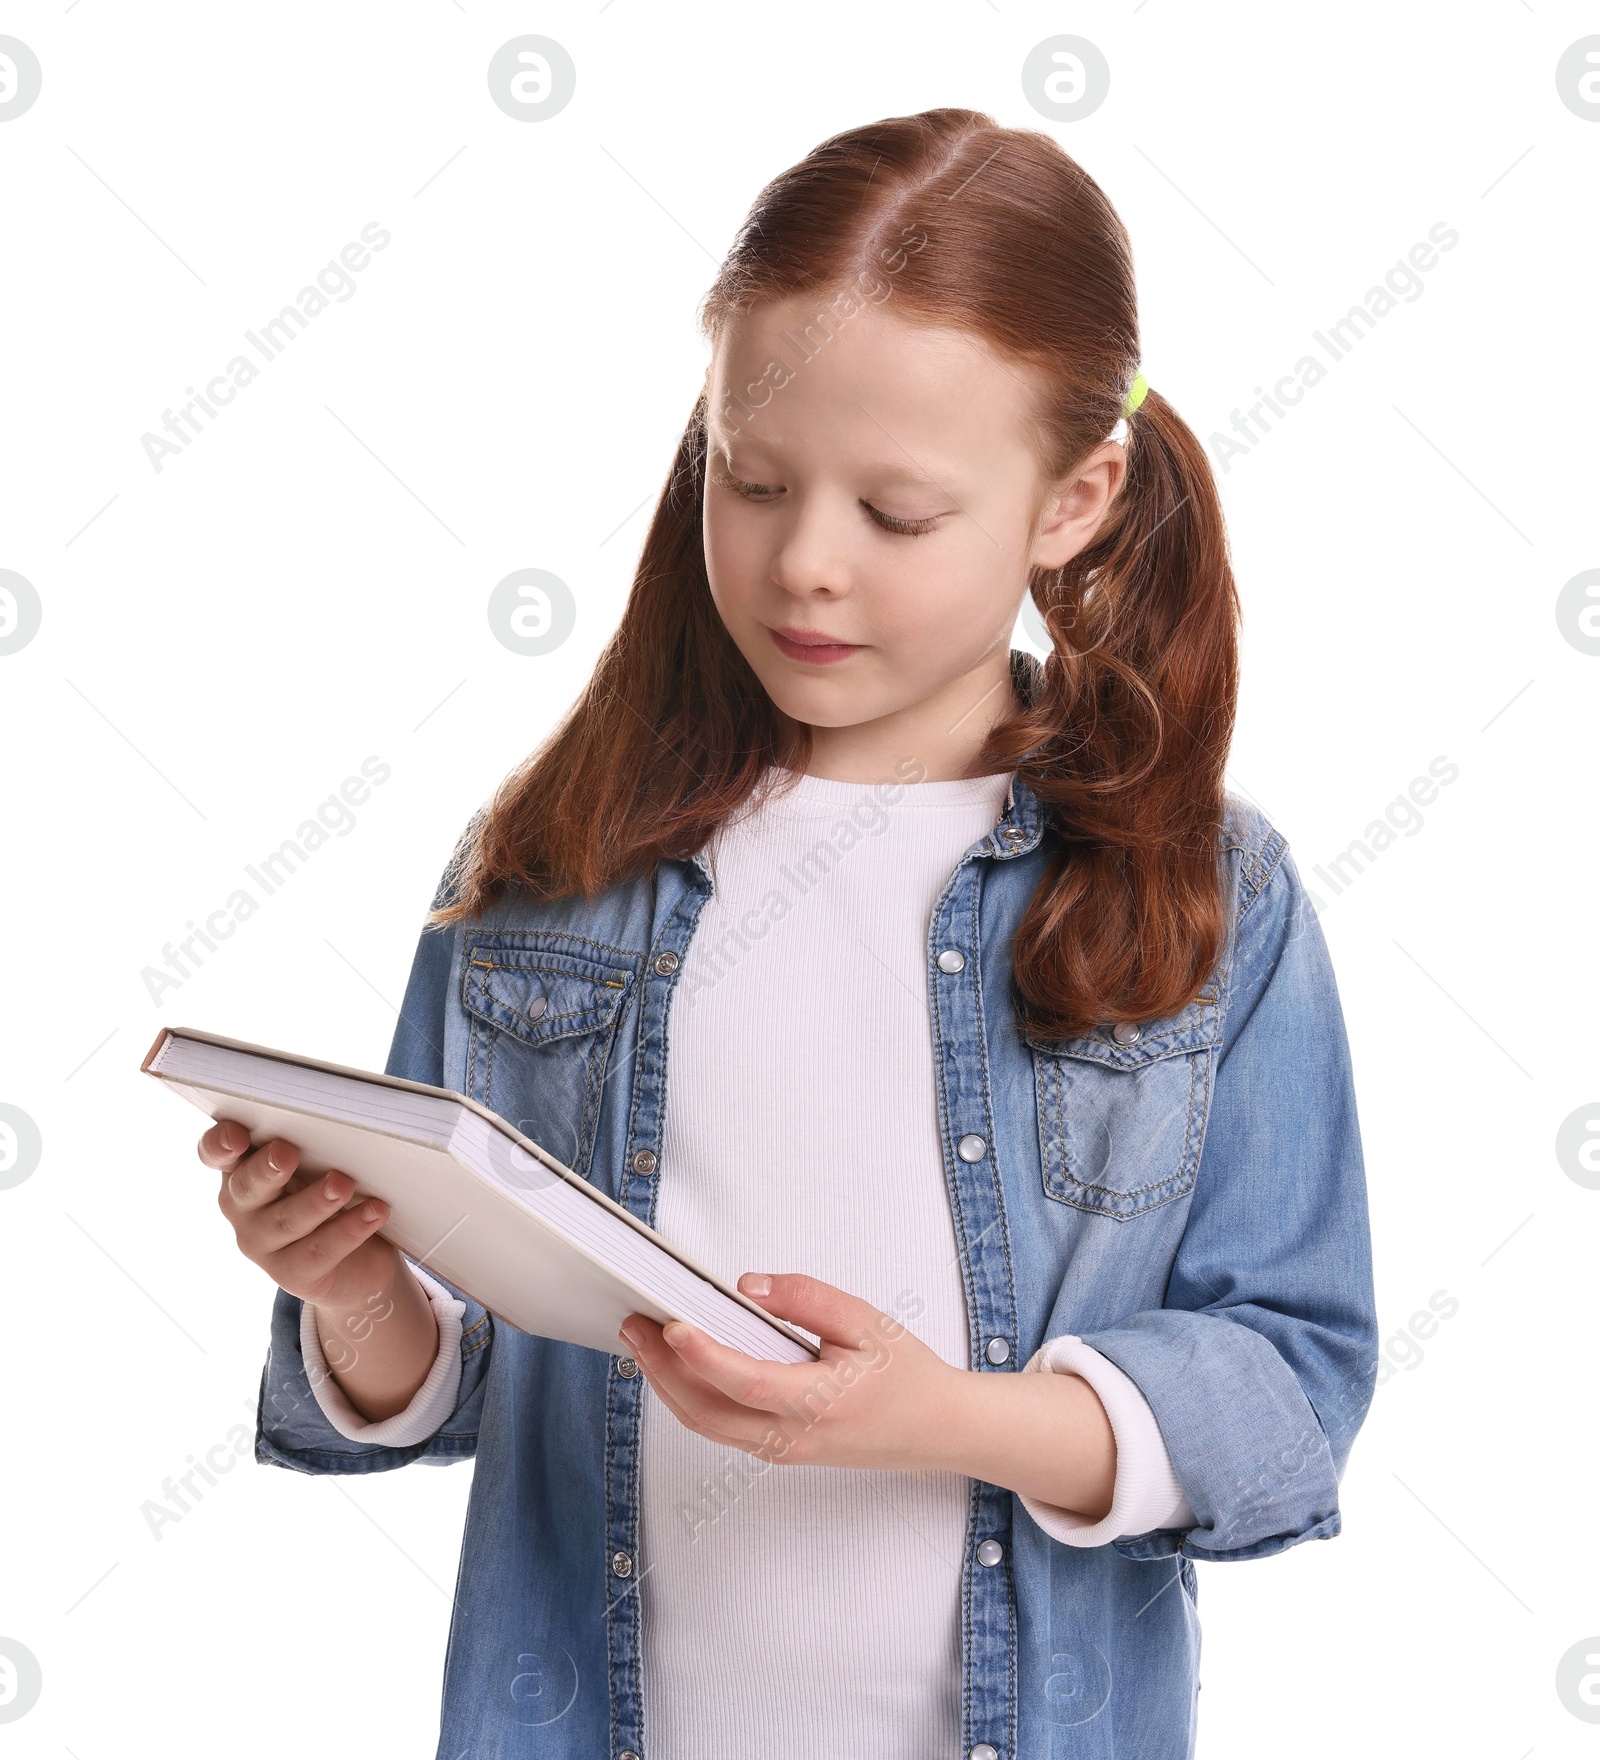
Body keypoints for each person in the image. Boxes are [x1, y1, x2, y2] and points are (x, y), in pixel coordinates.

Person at [197, 107, 1378, 1760]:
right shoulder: (552, 869)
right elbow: (457, 1378)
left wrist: (939, 1421)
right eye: (750, 481)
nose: (804, 563)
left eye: (897, 515)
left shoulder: (1204, 897)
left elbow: (1289, 1391)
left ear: (1075, 499)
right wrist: (351, 1293)